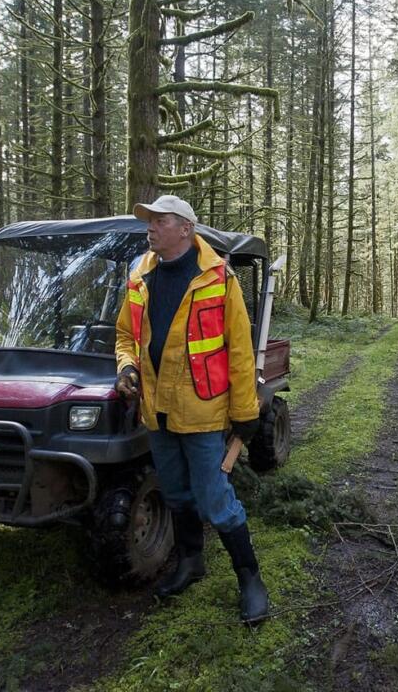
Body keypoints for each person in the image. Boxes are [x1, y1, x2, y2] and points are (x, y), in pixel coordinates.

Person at [113, 194, 269, 624]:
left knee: (215, 499)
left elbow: (239, 349)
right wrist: (126, 368)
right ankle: (191, 563)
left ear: (185, 229)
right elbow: (126, 334)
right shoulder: (140, 274)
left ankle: (250, 580)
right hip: (157, 411)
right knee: (177, 492)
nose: (150, 227)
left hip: (201, 411)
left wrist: (245, 411)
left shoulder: (219, 277)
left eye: (159, 221)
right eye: (149, 221)